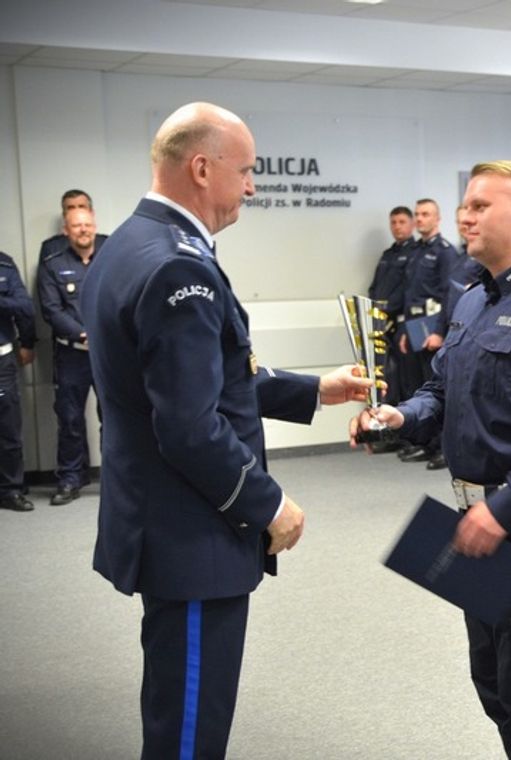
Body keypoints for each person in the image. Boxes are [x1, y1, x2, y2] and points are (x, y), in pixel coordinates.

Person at [79, 101, 370, 759]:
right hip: (191, 536)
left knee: (183, 718)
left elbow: (192, 376)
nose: (252, 186)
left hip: (157, 517)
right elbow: (187, 426)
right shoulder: (178, 267)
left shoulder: (128, 244)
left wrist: (313, 389)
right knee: (188, 736)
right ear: (203, 168)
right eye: (246, 171)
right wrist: (269, 505)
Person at [354, 160, 511, 759]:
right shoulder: (470, 301)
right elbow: (440, 390)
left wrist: (503, 510)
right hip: (472, 519)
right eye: (463, 205)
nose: (463, 216)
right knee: (492, 684)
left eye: (477, 206)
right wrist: (399, 415)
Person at [38, 206, 101, 505]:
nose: (83, 230)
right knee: (70, 419)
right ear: (66, 230)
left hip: (107, 355)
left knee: (114, 419)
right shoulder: (53, 263)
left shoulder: (111, 257)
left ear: (94, 226)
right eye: (77, 226)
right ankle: (70, 479)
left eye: (88, 224)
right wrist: (84, 334)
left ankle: (116, 479)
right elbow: (51, 309)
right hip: (71, 355)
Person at [398, 198, 460, 466]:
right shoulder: (416, 251)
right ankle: (426, 443)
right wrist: (403, 331)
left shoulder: (445, 251)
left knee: (434, 386)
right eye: (418, 214)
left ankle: (442, 447)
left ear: (437, 218)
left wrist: (439, 332)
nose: (420, 218)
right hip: (413, 323)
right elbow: (409, 293)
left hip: (432, 323)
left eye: (426, 214)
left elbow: (449, 294)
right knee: (416, 388)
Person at [0, 249, 37, 512]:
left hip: (2, 359)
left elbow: (24, 306)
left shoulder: (4, 264)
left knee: (8, 428)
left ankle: (11, 489)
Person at [368, 206, 415, 412]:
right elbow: (375, 286)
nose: (397, 227)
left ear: (411, 224)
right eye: (393, 222)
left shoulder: (415, 253)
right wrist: (373, 307)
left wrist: (386, 308)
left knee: (407, 379)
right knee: (387, 378)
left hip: (401, 324)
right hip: (380, 323)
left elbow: (408, 290)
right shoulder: (388, 254)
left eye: (402, 222)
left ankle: (405, 431)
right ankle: (389, 430)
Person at [38, 189, 108, 261]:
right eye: (71, 208)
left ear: (92, 213)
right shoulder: (51, 247)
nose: (76, 211)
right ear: (64, 214)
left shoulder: (107, 243)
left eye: (81, 207)